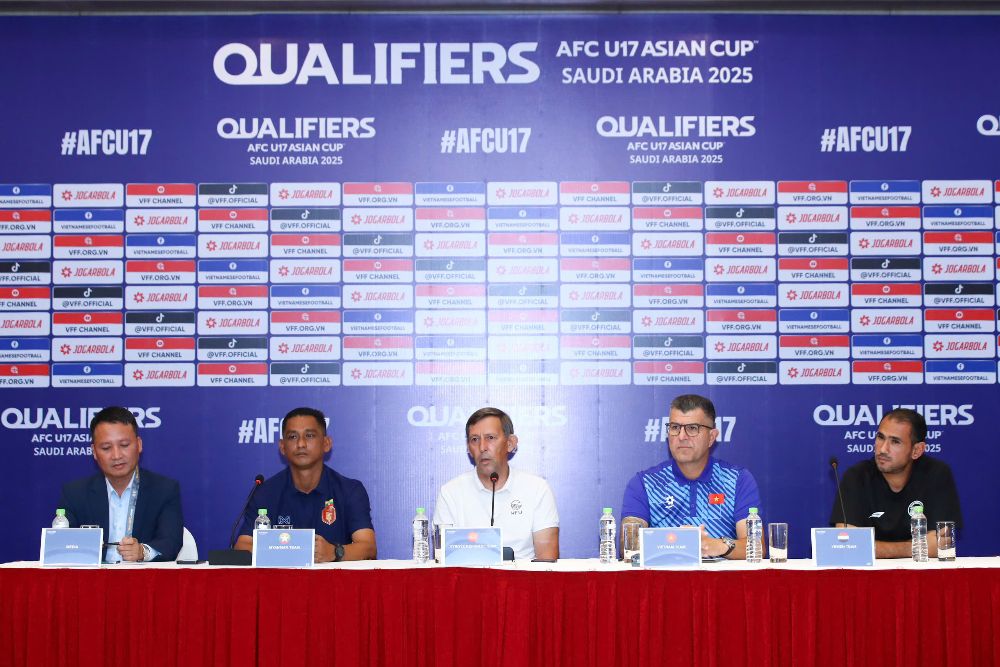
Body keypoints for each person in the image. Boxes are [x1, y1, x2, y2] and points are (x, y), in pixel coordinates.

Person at [621, 394, 762, 560]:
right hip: (665, 581)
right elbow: (628, 546)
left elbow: (756, 547)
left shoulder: (738, 480)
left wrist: (716, 545)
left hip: (723, 583)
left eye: (692, 428)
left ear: (711, 437)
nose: (681, 436)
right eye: (675, 427)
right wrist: (680, 541)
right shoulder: (644, 483)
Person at [235, 407, 376, 562]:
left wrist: (335, 552)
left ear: (326, 443)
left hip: (335, 584)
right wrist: (293, 551)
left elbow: (368, 547)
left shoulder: (350, 490)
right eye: (292, 437)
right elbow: (243, 545)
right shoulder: (265, 492)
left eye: (309, 435)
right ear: (282, 447)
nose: (301, 444)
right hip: (280, 584)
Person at [831, 408, 962, 558]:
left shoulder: (937, 474)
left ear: (917, 450)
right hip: (869, 575)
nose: (883, 449)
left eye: (895, 442)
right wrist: (915, 547)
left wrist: (872, 548)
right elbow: (847, 545)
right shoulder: (857, 476)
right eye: (880, 437)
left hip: (922, 576)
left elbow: (941, 545)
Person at [57, 406, 183, 562]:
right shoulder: (75, 493)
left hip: (143, 581)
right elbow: (63, 548)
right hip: (91, 582)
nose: (116, 455)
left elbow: (171, 542)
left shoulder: (164, 489)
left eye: (124, 445)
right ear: (94, 452)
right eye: (106, 448)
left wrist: (142, 552)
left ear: (139, 444)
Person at [433, 407, 559, 561]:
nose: (482, 447)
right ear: (468, 447)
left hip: (522, 581)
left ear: (510, 443)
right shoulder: (450, 492)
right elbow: (444, 557)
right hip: (469, 581)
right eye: (475, 439)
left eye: (490, 437)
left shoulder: (537, 489)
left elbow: (547, 560)